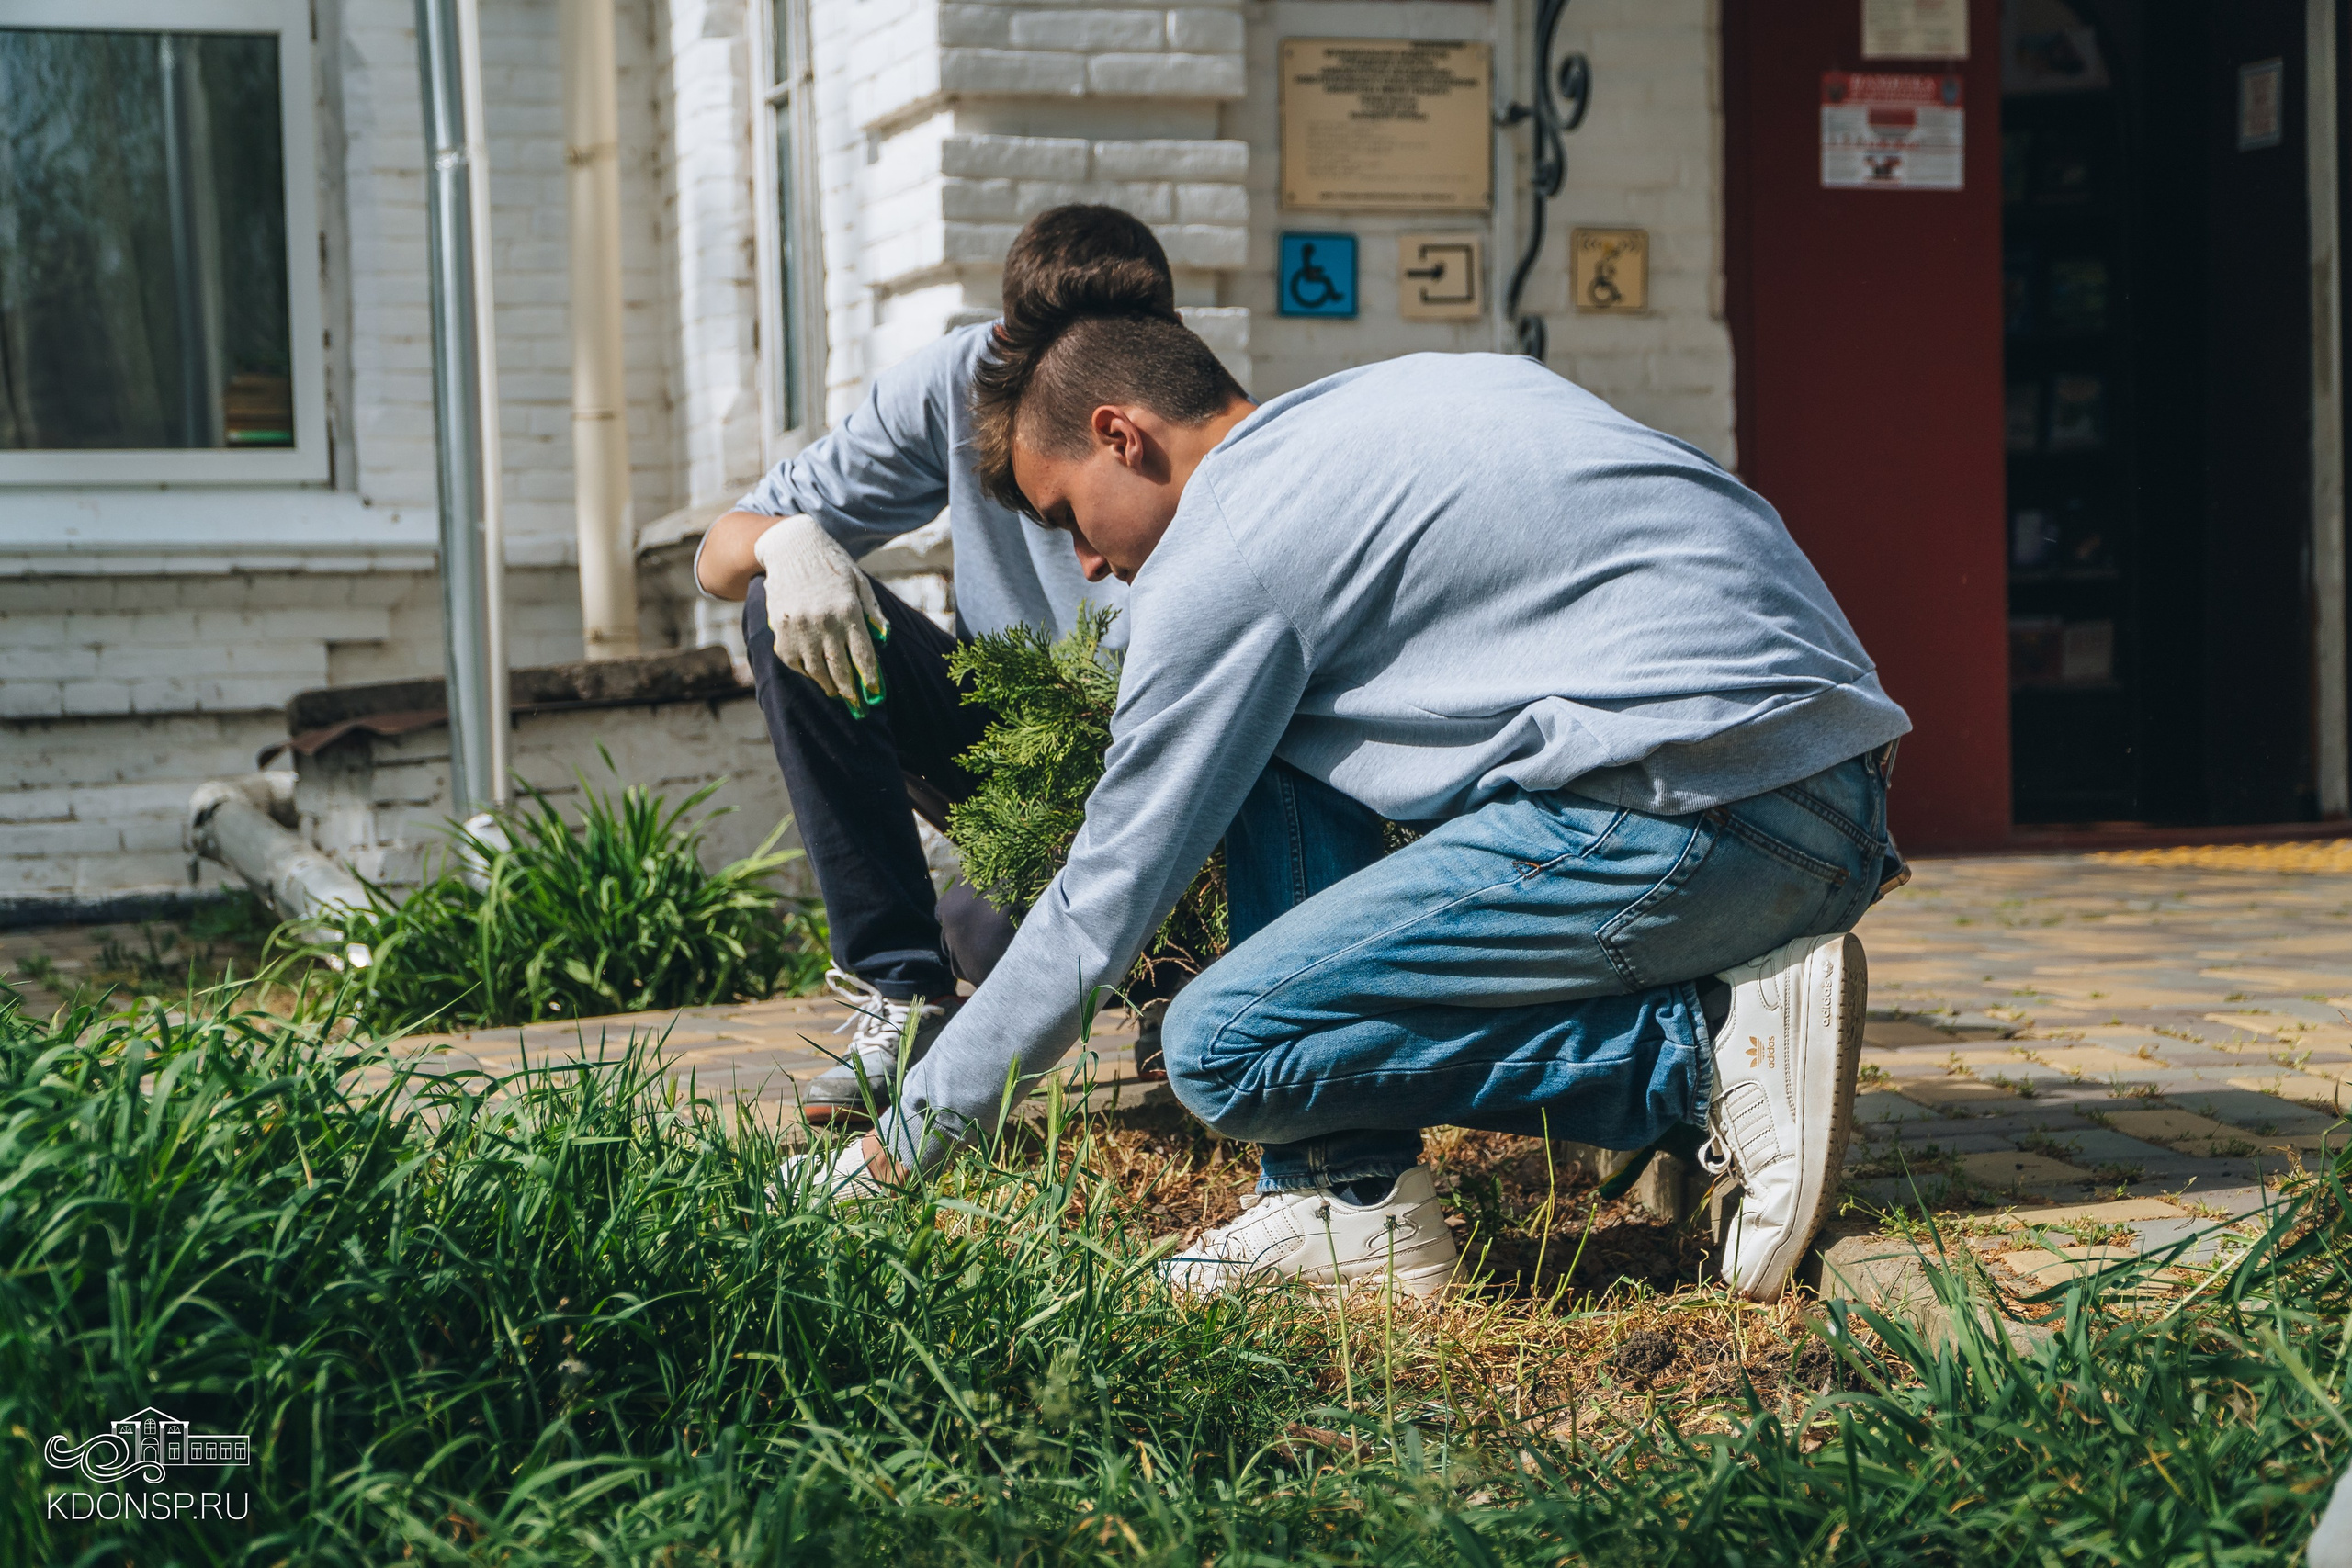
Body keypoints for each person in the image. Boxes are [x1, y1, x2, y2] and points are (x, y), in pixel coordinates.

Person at [789, 266, 1913, 1305]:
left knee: (1223, 1046)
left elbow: (1103, 905)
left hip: (1705, 819)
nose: (1083, 564)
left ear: (1120, 435)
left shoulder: (1227, 548)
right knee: (1277, 742)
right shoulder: (1407, 398)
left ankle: (1702, 1060)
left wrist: (911, 1138)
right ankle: (1349, 1203)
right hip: (1823, 795)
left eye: (1067, 518)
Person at [694, 206, 1172, 1123]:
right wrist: (790, 542)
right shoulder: (957, 385)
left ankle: (1185, 978)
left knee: (995, 935)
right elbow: (718, 553)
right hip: (1021, 750)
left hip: (1174, 761)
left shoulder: (1179, 404)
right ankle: (903, 995)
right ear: (1004, 348)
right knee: (781, 601)